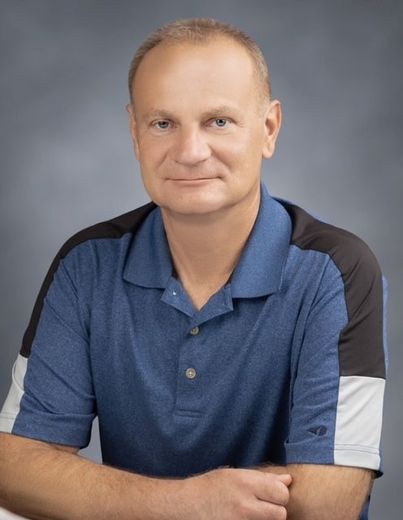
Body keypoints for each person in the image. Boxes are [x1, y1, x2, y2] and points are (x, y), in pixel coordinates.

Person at [0, 17, 387, 520]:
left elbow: (330, 500)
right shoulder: (86, 265)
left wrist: (104, 497)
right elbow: (14, 467)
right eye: (163, 123)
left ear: (268, 129)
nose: (189, 152)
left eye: (217, 121)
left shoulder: (336, 270)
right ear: (135, 134)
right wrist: (186, 503)